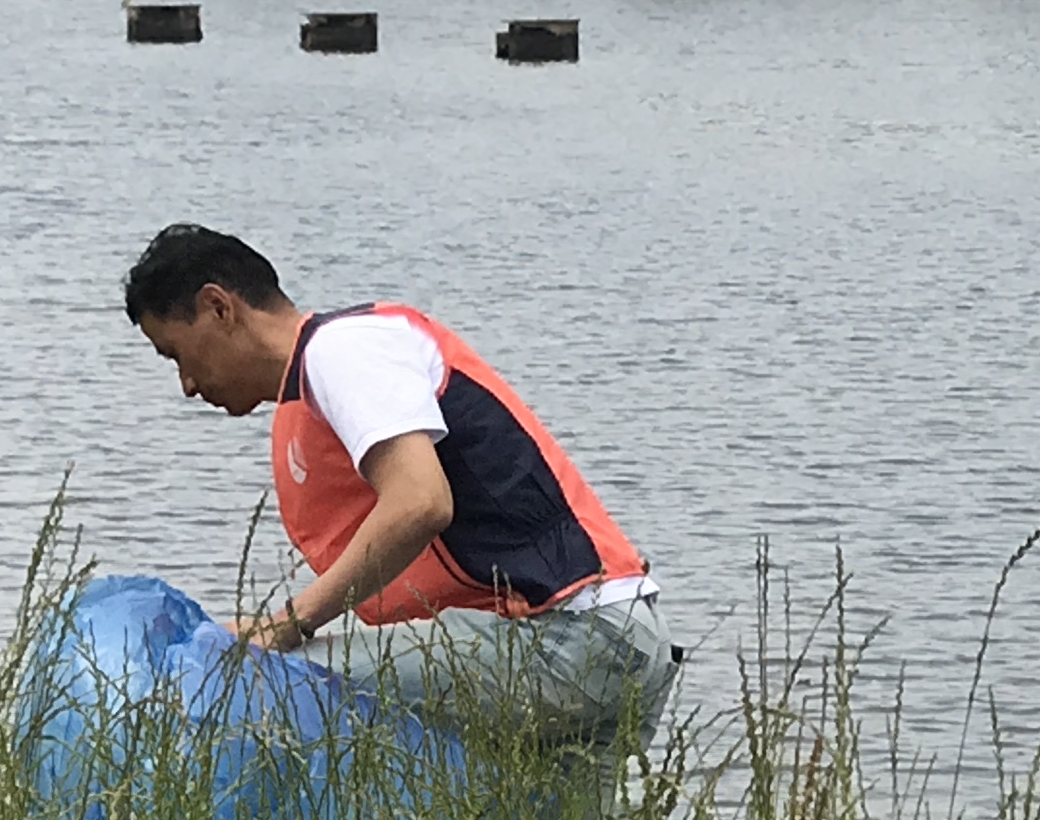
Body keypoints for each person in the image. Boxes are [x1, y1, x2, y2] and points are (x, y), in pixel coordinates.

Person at [121, 224, 674, 787]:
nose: (186, 384)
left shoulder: (343, 349)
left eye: (175, 354)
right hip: (619, 636)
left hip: (571, 638)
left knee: (261, 682)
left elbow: (420, 503)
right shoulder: (326, 378)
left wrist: (287, 624)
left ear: (218, 307)